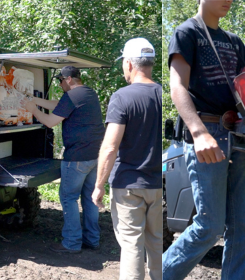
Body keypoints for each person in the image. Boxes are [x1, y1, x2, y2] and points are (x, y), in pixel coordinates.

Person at [161, 0, 245, 279]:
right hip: (207, 133)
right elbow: (177, 87)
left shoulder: (234, 41)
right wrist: (198, 132)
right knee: (209, 226)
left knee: (244, 229)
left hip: (235, 136)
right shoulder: (187, 32)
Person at [91, 37, 163, 280]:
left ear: (130, 64)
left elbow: (110, 147)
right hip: (156, 184)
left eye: (123, 63)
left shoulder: (122, 97)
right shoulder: (165, 95)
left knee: (132, 244)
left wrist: (99, 186)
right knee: (155, 244)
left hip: (128, 186)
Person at [22, 65, 103, 254]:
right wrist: (36, 100)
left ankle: (71, 243)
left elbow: (50, 121)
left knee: (68, 198)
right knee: (90, 199)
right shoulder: (88, 93)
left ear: (68, 79)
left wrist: (32, 108)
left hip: (77, 158)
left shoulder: (72, 96)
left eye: (60, 80)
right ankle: (92, 240)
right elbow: (60, 105)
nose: (59, 84)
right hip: (94, 156)